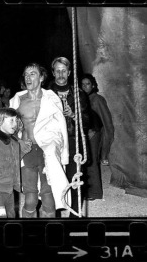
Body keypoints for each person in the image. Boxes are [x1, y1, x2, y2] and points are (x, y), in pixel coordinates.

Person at [10, 63, 70, 218]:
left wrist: (65, 153)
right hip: (27, 151)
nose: (28, 77)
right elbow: (9, 128)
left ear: (42, 77)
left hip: (47, 151)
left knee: (49, 200)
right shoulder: (17, 100)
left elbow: (61, 126)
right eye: (26, 74)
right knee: (30, 199)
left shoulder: (51, 98)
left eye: (33, 74)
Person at [48, 57, 90, 217]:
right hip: (53, 141)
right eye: (57, 70)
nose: (60, 74)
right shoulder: (46, 93)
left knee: (75, 179)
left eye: (64, 70)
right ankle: (55, 215)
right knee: (54, 179)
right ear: (53, 73)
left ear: (69, 72)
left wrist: (74, 115)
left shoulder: (78, 94)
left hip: (73, 141)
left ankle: (75, 215)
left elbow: (88, 120)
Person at [81, 73, 114, 167]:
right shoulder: (82, 99)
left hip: (94, 136)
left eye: (87, 84)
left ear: (93, 85)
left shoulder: (97, 100)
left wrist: (104, 154)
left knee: (92, 165)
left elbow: (107, 125)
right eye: (82, 84)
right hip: (84, 135)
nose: (84, 87)